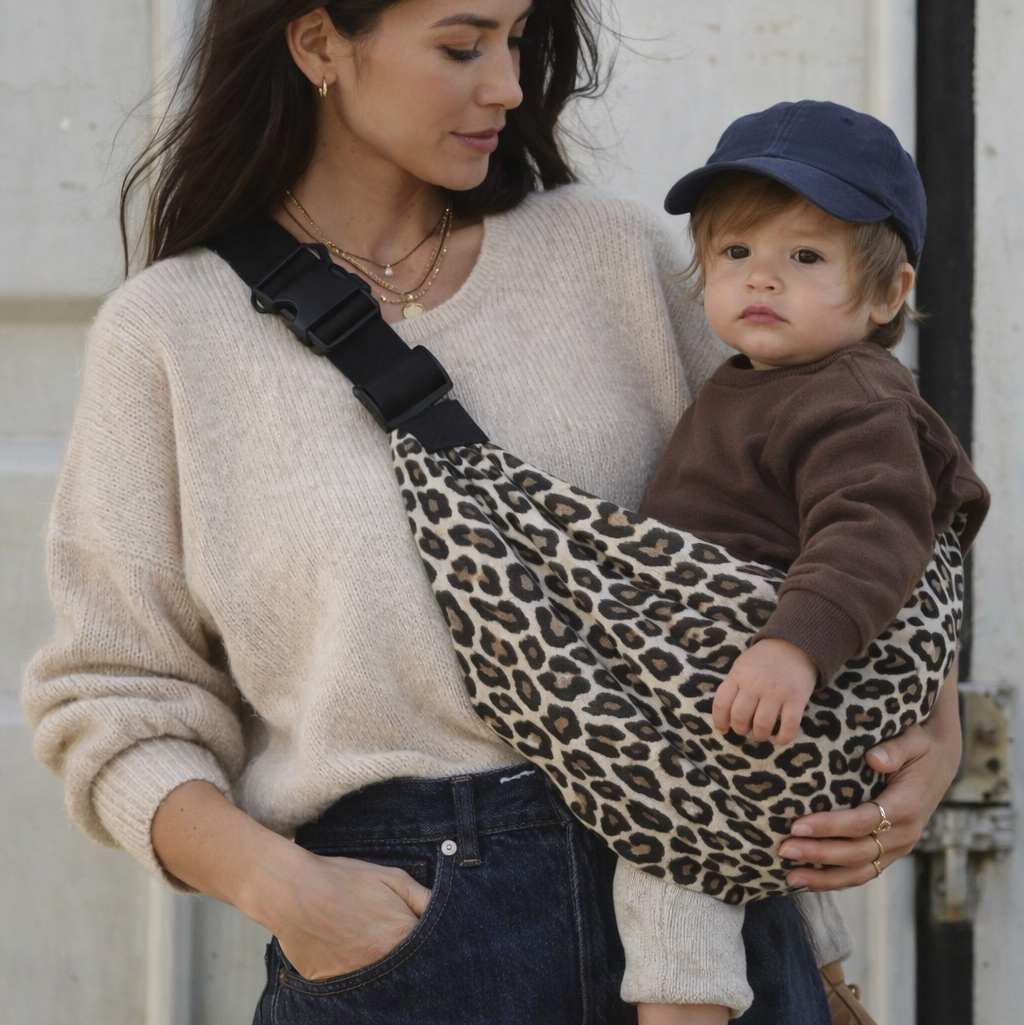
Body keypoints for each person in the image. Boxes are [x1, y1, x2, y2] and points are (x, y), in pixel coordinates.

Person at [20, 4, 964, 1024]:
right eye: (464, 45)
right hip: (415, 938)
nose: (510, 84)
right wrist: (282, 885)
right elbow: (112, 700)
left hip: (709, 920)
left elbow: (870, 477)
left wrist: (932, 735)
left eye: (519, 39)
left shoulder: (616, 256)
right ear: (319, 44)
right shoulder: (170, 334)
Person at [632, 101, 989, 1024]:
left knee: (668, 858)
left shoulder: (852, 394)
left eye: (805, 257)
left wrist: (795, 645)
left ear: (885, 294)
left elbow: (874, 528)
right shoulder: (757, 380)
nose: (763, 279)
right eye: (737, 253)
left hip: (777, 673)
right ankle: (828, 989)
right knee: (777, 859)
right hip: (750, 693)